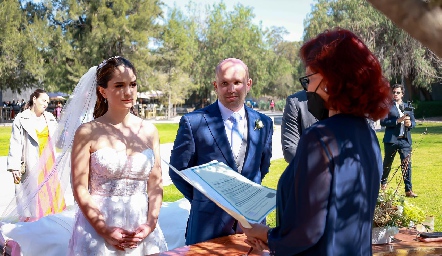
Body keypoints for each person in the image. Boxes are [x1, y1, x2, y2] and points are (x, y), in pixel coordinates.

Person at [241, 28, 391, 255]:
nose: (307, 88)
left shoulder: (319, 137)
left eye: (308, 79)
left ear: (331, 80)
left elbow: (307, 232)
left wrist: (263, 233)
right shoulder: (367, 134)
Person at [67, 56, 167, 254]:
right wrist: (103, 229)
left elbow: (156, 184)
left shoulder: (149, 131)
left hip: (142, 228)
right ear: (103, 91)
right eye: (119, 85)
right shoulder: (87, 132)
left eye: (133, 84)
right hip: (99, 227)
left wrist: (151, 223)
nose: (128, 92)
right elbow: (80, 188)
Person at [169, 58, 273, 245]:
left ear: (248, 84)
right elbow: (178, 171)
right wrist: (206, 199)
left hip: (252, 227)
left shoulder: (264, 123)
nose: (231, 89)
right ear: (215, 85)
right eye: (224, 83)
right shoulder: (194, 122)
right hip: (207, 225)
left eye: (237, 82)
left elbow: (262, 167)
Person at [6, 89, 60, 221]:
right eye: (43, 100)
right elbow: (15, 143)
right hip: (31, 163)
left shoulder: (50, 118)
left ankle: (48, 224)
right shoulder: (21, 118)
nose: (46, 104)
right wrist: (14, 167)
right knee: (31, 201)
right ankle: (32, 227)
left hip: (48, 163)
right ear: (34, 99)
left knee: (49, 198)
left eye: (47, 101)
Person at [380, 84, 417, 197]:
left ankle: (408, 190)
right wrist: (398, 120)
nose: (395, 94)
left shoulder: (408, 107)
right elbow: (383, 122)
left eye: (398, 92)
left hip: (405, 140)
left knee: (406, 165)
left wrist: (410, 124)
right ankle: (383, 184)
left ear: (402, 94)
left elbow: (414, 123)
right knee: (387, 163)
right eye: (394, 92)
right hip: (391, 140)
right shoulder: (387, 106)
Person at [281, 77, 328, 163]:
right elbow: (290, 149)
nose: (307, 85)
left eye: (311, 78)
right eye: (305, 80)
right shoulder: (295, 103)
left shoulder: (348, 103)